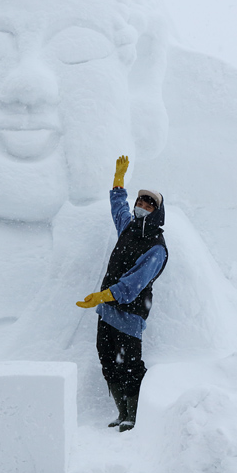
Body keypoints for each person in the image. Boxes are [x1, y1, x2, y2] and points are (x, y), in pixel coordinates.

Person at [77, 155, 168, 432]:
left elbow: (131, 287)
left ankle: (135, 414)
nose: (142, 205)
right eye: (140, 201)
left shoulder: (157, 247)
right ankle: (122, 410)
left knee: (130, 367)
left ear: (157, 213)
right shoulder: (128, 227)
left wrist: (101, 296)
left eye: (149, 204)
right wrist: (118, 181)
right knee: (107, 361)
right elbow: (118, 208)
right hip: (107, 313)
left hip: (129, 317)